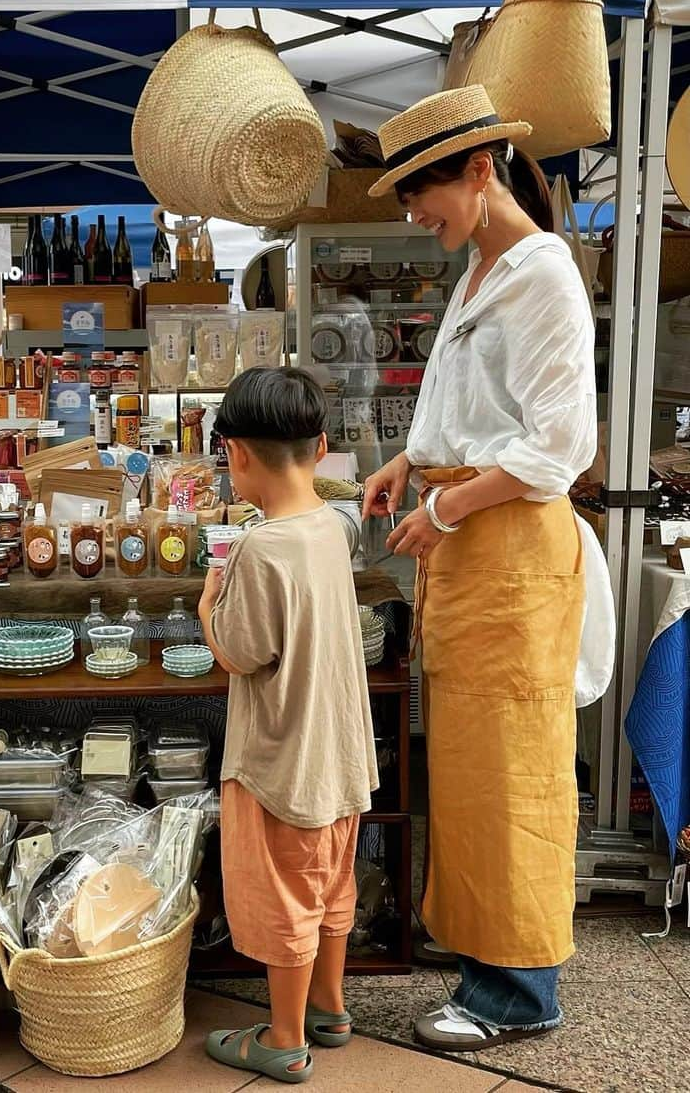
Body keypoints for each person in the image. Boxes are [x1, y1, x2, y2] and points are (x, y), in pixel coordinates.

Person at [362, 85, 601, 1053]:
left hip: (507, 539)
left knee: (513, 771)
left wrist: (447, 504)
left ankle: (520, 991)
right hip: (471, 540)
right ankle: (483, 965)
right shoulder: (481, 268)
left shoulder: (540, 272)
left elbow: (557, 447)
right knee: (468, 768)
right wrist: (410, 462)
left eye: (422, 194)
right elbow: (464, 404)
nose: (415, 216)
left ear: (477, 169)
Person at [199, 367, 378, 1085]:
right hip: (340, 754)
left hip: (282, 762)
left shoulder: (257, 549)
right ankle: (329, 1009)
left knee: (284, 900)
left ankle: (283, 1036)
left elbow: (241, 652)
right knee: (331, 888)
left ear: (237, 454)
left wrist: (208, 606)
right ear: (321, 446)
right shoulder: (333, 527)